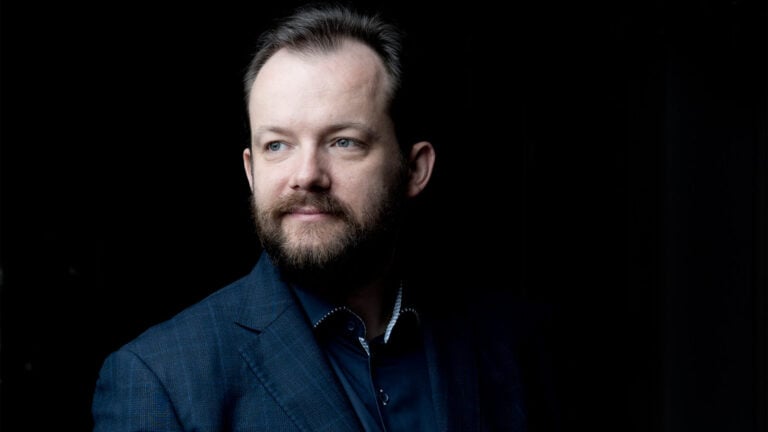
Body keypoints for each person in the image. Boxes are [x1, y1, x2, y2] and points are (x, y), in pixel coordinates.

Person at [91, 3, 559, 431]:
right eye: (278, 145)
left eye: (343, 142)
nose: (306, 175)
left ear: (414, 169)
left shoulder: (517, 343)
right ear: (251, 171)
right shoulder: (159, 379)